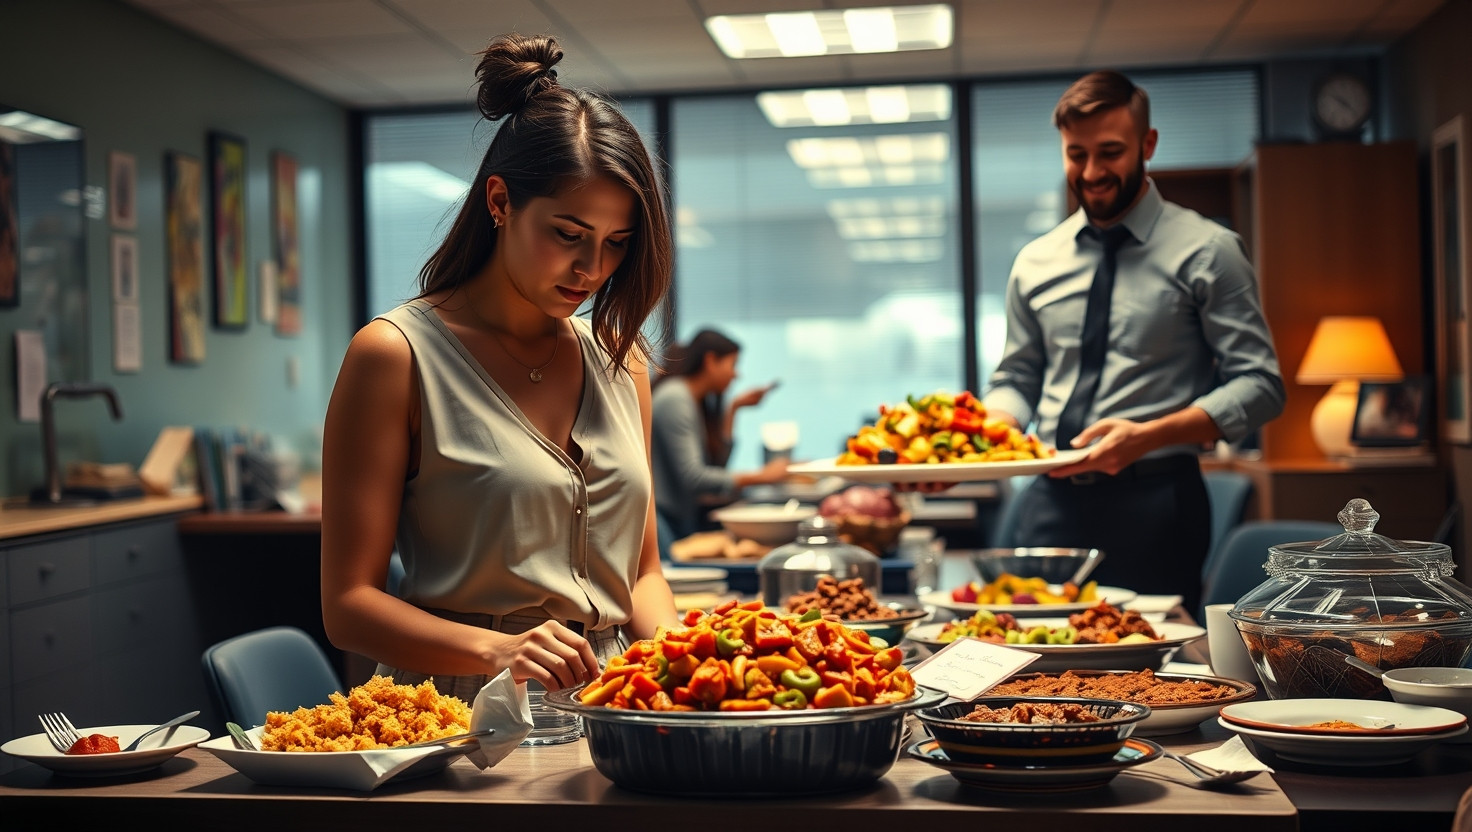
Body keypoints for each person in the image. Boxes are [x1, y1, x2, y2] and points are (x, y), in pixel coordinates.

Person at [319, 32, 680, 704]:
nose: (591, 268)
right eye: (568, 234)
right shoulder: (395, 354)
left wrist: (683, 667)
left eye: (616, 244)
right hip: (465, 705)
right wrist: (499, 649)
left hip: (613, 700)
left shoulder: (621, 361)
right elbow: (349, 606)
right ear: (499, 202)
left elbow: (643, 575)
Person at [981, 70, 1285, 614]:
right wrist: (977, 445)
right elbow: (1017, 378)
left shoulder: (1210, 251)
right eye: (1076, 155)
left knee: (1153, 656)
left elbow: (1260, 386)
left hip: (1157, 502)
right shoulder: (1035, 261)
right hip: (1049, 500)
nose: (1091, 172)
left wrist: (1146, 437)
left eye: (1110, 152)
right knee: (1031, 650)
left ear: (1148, 145)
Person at [650, 328, 788, 541]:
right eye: (733, 365)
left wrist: (734, 409)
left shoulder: (694, 400)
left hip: (679, 517)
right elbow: (694, 477)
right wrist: (761, 476)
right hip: (665, 521)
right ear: (711, 360)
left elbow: (717, 466)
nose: (736, 374)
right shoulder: (675, 399)